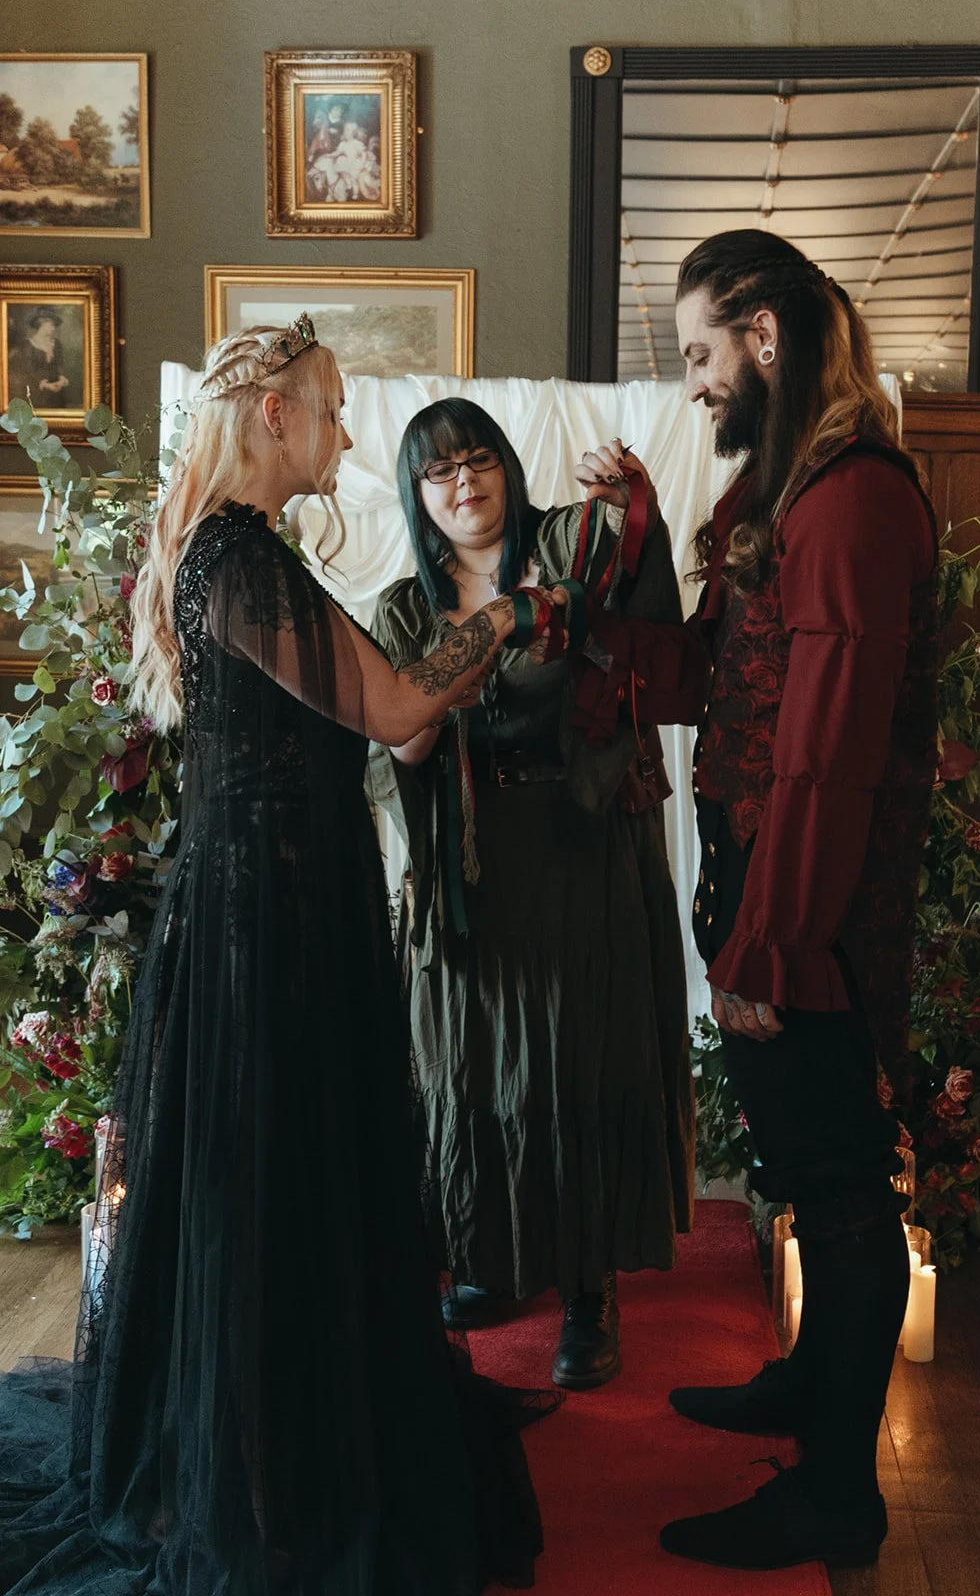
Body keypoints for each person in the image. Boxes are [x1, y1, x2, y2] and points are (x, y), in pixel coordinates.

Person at [0, 319, 554, 1595]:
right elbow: (403, 706)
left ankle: (288, 1440)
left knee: (286, 1184)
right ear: (272, 416)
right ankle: (268, 1477)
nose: (346, 433)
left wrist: (453, 662)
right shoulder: (237, 558)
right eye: (333, 408)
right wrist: (512, 611)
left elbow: (391, 728)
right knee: (269, 1187)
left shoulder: (238, 555)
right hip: (267, 925)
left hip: (279, 909)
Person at [568, 231, 938, 1569]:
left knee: (840, 1193)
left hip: (808, 913)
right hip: (758, 886)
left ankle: (839, 1493)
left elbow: (827, 753)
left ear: (764, 336)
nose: (692, 384)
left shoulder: (854, 497)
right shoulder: (781, 490)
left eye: (698, 353)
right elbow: (708, 680)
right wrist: (624, 560)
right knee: (803, 1174)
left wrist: (773, 943)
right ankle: (807, 1391)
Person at [369, 398, 697, 1391]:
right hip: (470, 868)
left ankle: (588, 1289)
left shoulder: (564, 548)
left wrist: (630, 497)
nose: (462, 483)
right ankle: (492, 1255)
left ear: (507, 468)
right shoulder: (404, 608)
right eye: (439, 472)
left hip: (579, 845)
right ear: (418, 496)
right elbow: (392, 749)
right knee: (476, 1070)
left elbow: (646, 614)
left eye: (477, 461)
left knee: (577, 1061)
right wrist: (431, 710)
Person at [7, 307, 71, 408]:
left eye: (54, 325)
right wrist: (45, 385)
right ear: (42, 324)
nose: (53, 328)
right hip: (37, 391)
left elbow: (59, 365)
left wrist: (61, 379)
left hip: (57, 390)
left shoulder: (56, 344)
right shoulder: (27, 345)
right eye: (51, 325)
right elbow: (29, 371)